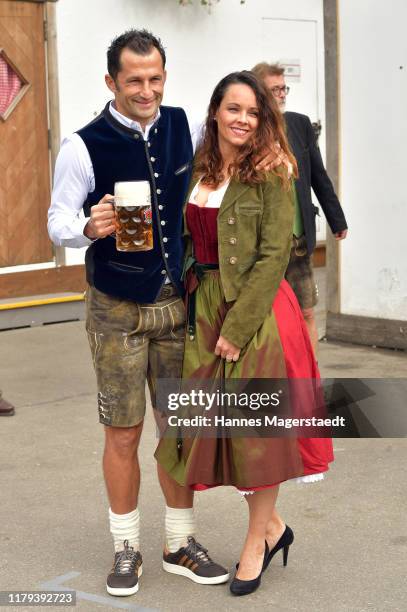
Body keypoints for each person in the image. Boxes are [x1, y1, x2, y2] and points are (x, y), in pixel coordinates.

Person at [47, 29, 231, 596]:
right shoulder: (82, 145)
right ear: (111, 82)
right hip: (116, 311)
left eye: (155, 78)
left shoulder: (185, 125)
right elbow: (55, 222)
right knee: (123, 433)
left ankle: (179, 542)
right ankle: (126, 546)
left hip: (176, 303)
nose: (147, 90)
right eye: (134, 81)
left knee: (178, 428)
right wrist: (86, 227)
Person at [155, 70, 334, 597]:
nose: (243, 120)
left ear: (264, 120)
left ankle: (255, 543)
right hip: (201, 307)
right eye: (234, 109)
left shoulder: (273, 171)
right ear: (215, 111)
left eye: (253, 112)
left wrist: (236, 329)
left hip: (255, 316)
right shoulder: (198, 168)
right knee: (213, 433)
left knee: (258, 436)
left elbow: (274, 257)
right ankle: (275, 527)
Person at [252, 62, 348, 357]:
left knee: (305, 312)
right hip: (263, 244)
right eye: (274, 89)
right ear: (258, 93)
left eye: (284, 88)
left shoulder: (300, 124)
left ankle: (311, 379)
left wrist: (336, 219)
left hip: (298, 242)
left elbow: (318, 175)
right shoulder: (248, 130)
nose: (281, 94)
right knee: (267, 318)